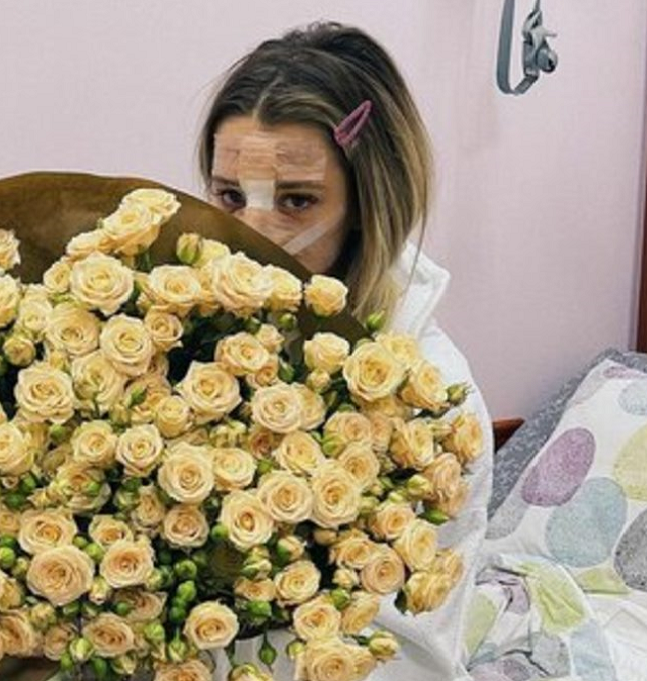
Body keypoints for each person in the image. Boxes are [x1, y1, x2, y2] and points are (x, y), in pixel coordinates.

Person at [197, 22, 494, 681]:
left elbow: (405, 652)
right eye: (230, 196)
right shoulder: (179, 336)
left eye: (297, 201)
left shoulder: (435, 402)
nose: (252, 236)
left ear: (367, 202)